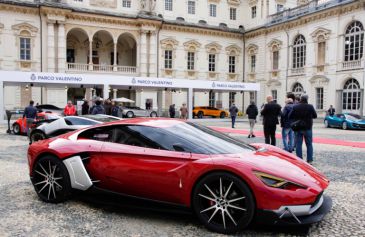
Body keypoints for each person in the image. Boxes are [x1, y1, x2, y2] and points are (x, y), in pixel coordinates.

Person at [289, 95, 317, 164]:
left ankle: (299, 159)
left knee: (298, 144)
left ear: (301, 99)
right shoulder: (310, 106)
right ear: (307, 99)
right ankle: (309, 160)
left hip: (298, 127)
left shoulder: (295, 107)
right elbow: (315, 116)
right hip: (308, 127)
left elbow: (290, 116)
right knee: (309, 144)